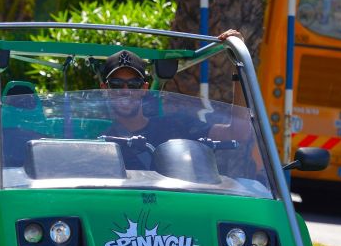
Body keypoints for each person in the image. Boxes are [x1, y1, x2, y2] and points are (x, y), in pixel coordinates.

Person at [98, 30, 247, 169]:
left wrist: (238, 64)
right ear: (105, 89)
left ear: (144, 89)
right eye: (116, 84)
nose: (126, 91)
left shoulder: (176, 126)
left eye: (133, 84)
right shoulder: (102, 143)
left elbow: (237, 133)